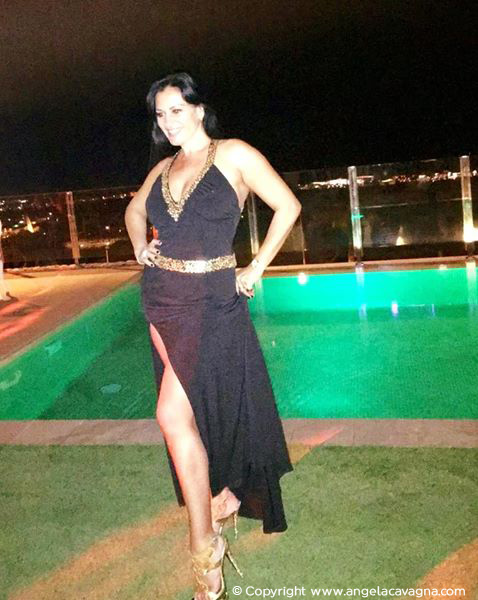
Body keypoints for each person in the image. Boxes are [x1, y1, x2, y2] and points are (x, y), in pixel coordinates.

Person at [124, 72, 301, 600]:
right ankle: (220, 497)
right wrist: (139, 246)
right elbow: (135, 210)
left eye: (176, 110)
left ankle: (205, 547)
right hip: (161, 297)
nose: (168, 122)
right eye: (160, 115)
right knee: (191, 412)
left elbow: (288, 206)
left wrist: (257, 266)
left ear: (199, 109)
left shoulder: (234, 154)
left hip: (212, 301)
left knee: (171, 414)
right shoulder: (162, 168)